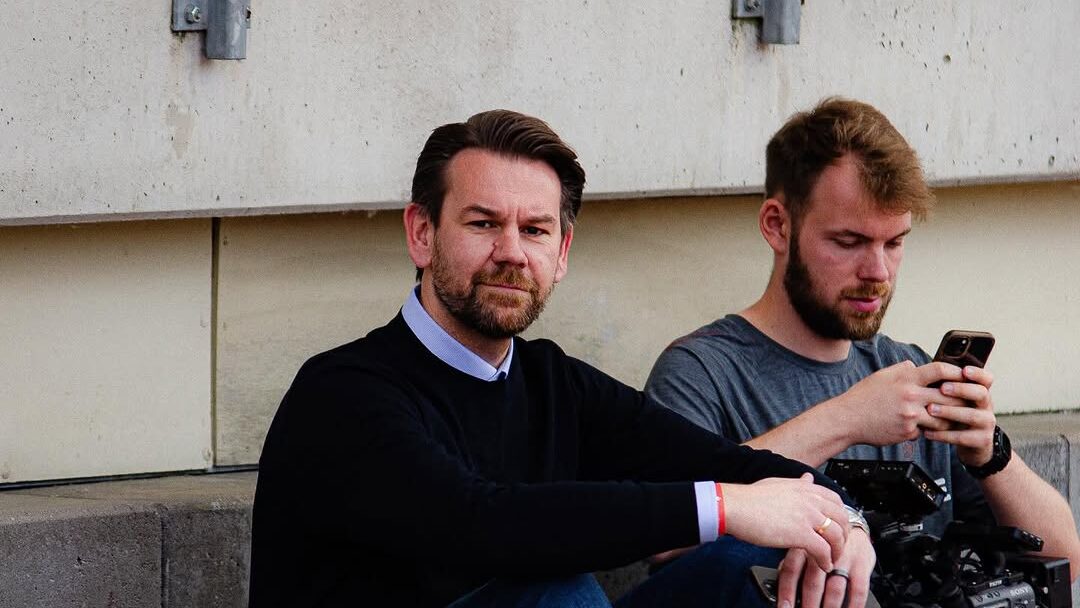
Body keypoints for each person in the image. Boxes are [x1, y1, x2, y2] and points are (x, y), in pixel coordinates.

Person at [248, 109, 874, 608]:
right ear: (421, 232)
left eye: (536, 230)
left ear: (563, 251)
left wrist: (843, 522)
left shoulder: (553, 382)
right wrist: (726, 505)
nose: (512, 252)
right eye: (483, 223)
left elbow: (725, 462)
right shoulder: (342, 395)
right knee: (554, 591)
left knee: (755, 565)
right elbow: (481, 526)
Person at [645, 97, 1080, 607]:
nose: (878, 272)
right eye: (849, 241)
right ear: (777, 225)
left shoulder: (909, 369)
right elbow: (664, 543)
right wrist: (847, 419)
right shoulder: (702, 373)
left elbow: (1064, 562)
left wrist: (990, 454)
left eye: (894, 243)